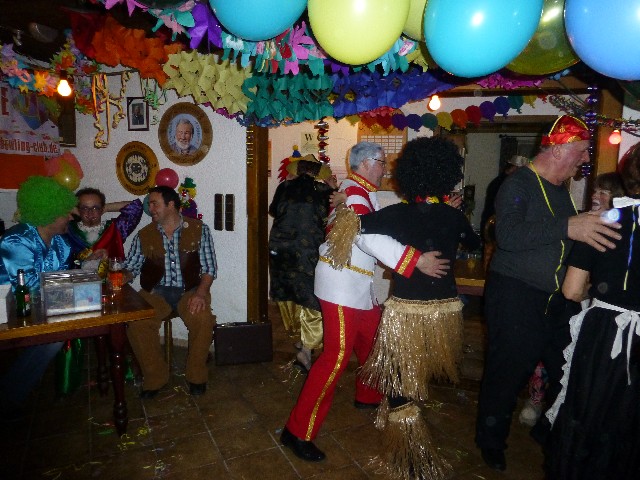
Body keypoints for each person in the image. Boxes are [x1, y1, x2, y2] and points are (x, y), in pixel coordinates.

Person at [280, 142, 450, 462]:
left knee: (374, 346)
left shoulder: (360, 192)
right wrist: (415, 260)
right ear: (364, 163)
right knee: (334, 359)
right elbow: (368, 237)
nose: (385, 167)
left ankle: (368, 396)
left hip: (357, 287)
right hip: (341, 287)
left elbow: (383, 226)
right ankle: (297, 431)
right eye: (381, 162)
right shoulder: (355, 194)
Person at [475, 115, 622, 471]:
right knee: (508, 373)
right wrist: (569, 225)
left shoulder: (561, 190)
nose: (585, 158)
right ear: (559, 149)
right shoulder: (518, 184)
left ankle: (550, 430)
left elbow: (561, 240)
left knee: (566, 369)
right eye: (582, 150)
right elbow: (508, 236)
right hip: (516, 295)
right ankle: (490, 441)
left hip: (555, 299)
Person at [347, 136, 480, 479]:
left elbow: (355, 226)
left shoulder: (398, 214)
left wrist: (339, 203)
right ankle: (399, 419)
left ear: (409, 174)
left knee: (398, 377)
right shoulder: (452, 217)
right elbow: (474, 242)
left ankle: (409, 452)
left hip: (408, 312)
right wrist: (451, 214)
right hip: (446, 312)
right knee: (417, 372)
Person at [544, 144, 640, 479]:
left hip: (604, 333)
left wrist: (601, 291)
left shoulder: (604, 221)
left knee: (590, 414)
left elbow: (571, 290)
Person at [518, 171, 624, 427]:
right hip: (571, 304)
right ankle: (538, 400)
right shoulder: (584, 221)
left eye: (604, 192)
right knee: (553, 356)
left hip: (598, 312)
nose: (596, 195)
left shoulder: (622, 228)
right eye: (595, 190)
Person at [123, 186, 217, 398]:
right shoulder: (144, 235)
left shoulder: (199, 229)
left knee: (203, 319)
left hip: (190, 291)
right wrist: (122, 275)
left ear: (171, 204)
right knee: (137, 323)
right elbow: (132, 267)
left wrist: (200, 293)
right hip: (155, 293)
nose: (150, 208)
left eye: (154, 203)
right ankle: (155, 378)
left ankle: (196, 375)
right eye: (149, 204)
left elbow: (209, 268)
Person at [0, 176, 77, 416]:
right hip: (8, 310)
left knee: (61, 332)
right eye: (66, 212)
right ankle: (8, 399)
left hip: (38, 308)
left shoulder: (61, 244)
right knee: (53, 338)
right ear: (49, 214)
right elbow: (28, 287)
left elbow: (60, 281)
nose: (71, 217)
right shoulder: (16, 240)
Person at [58, 188, 143, 396]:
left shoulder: (113, 229)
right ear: (77, 210)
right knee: (70, 330)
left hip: (111, 289)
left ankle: (121, 371)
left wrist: (105, 209)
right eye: (84, 209)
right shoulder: (67, 230)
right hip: (78, 291)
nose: (90, 214)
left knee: (118, 326)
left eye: (95, 208)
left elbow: (136, 207)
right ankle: (69, 380)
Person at [268, 154, 336, 372]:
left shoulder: (284, 187)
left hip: (280, 249)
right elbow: (335, 216)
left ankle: (300, 337)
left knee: (289, 292)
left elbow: (273, 210)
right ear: (317, 173)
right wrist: (333, 188)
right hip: (307, 251)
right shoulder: (324, 191)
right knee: (310, 296)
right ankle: (306, 350)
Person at [480, 154, 529, 236]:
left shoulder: (500, 181)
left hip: (494, 226)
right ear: (515, 168)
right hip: (496, 228)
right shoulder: (507, 184)